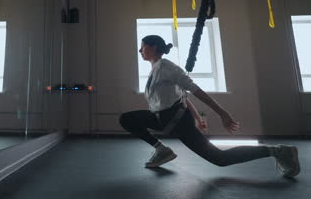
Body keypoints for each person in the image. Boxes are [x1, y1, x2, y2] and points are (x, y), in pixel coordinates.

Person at [119, 35, 300, 178]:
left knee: (219, 159)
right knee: (126, 119)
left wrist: (223, 113)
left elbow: (194, 89)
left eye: (142, 46)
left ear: (153, 47)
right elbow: (180, 96)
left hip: (177, 122)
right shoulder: (156, 69)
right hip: (161, 118)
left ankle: (279, 151)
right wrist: (197, 117)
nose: (140, 50)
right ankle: (161, 149)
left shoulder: (168, 67)